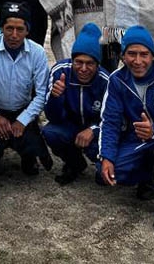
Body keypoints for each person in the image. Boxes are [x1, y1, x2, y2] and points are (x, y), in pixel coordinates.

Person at [97, 26, 154, 232]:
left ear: (153, 55)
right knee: (108, 174)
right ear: (122, 56)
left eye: (144, 54)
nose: (137, 61)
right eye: (131, 54)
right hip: (137, 138)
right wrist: (107, 157)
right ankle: (147, 176)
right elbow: (110, 122)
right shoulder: (116, 80)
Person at [0, 2, 53, 176]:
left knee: (32, 159)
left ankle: (28, 155)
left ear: (28, 30)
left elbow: (42, 94)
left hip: (21, 110)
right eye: (9, 28)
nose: (14, 35)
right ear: (1, 27)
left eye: (20, 29)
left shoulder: (38, 52)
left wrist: (23, 120)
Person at [43, 23, 110, 185]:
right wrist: (55, 97)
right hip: (69, 125)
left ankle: (102, 163)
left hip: (94, 129)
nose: (84, 68)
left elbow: (113, 119)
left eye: (90, 63)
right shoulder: (60, 71)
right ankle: (74, 163)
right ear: (72, 60)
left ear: (98, 63)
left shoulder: (106, 80)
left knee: (104, 179)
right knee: (51, 132)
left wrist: (93, 130)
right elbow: (53, 117)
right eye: (78, 62)